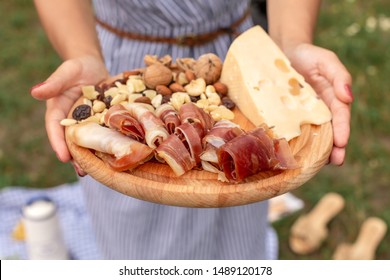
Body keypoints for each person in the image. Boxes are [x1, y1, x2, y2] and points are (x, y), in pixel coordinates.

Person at [30, 0, 353, 259]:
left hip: (242, 58)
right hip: (121, 62)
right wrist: (81, 54)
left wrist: (291, 43)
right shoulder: (120, 91)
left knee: (237, 234)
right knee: (141, 248)